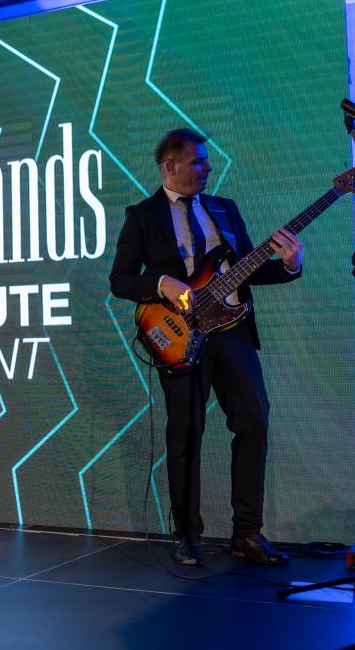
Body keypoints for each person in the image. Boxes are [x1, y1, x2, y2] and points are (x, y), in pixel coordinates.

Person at [108, 128, 302, 566]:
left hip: (233, 332)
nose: (208, 167)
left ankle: (247, 533)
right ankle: (187, 535)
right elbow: (120, 280)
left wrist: (290, 265)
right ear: (169, 167)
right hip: (180, 336)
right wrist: (162, 283)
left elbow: (249, 268)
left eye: (206, 160)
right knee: (184, 434)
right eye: (197, 161)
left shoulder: (224, 209)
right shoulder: (142, 215)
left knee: (254, 423)